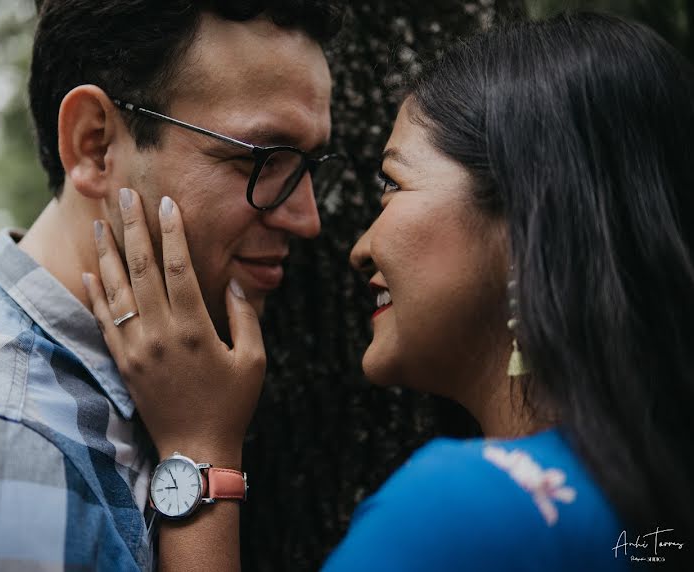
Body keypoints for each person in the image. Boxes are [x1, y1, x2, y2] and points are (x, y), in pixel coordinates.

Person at [83, 11, 694, 571]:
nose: (354, 243)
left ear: (529, 221)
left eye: (393, 184)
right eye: (260, 161)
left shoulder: (461, 513)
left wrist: (200, 453)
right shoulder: (654, 513)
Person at [0, 1, 344, 570]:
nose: (307, 219)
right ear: (95, 144)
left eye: (310, 164)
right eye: (263, 160)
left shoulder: (146, 391)